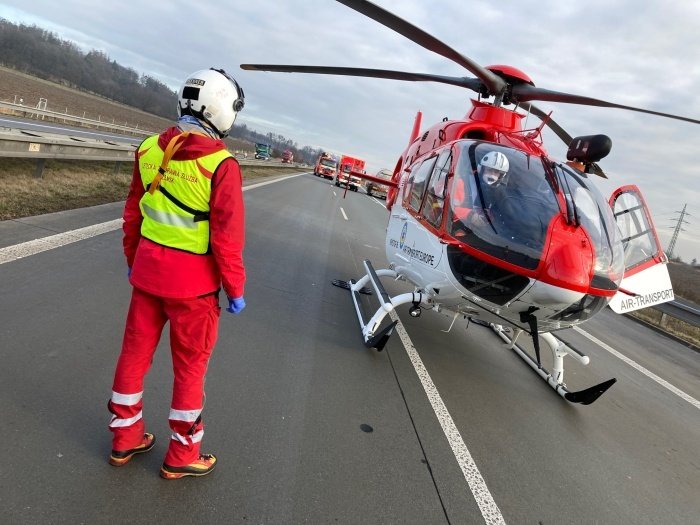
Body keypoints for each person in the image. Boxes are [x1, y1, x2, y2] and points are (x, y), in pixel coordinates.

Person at [107, 68, 247, 480]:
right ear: (222, 107)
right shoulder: (222, 165)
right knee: (189, 369)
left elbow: (133, 213)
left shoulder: (149, 148)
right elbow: (227, 240)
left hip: (147, 277)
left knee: (133, 356)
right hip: (195, 290)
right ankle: (183, 454)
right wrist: (235, 288)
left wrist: (134, 259)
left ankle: (124, 436)